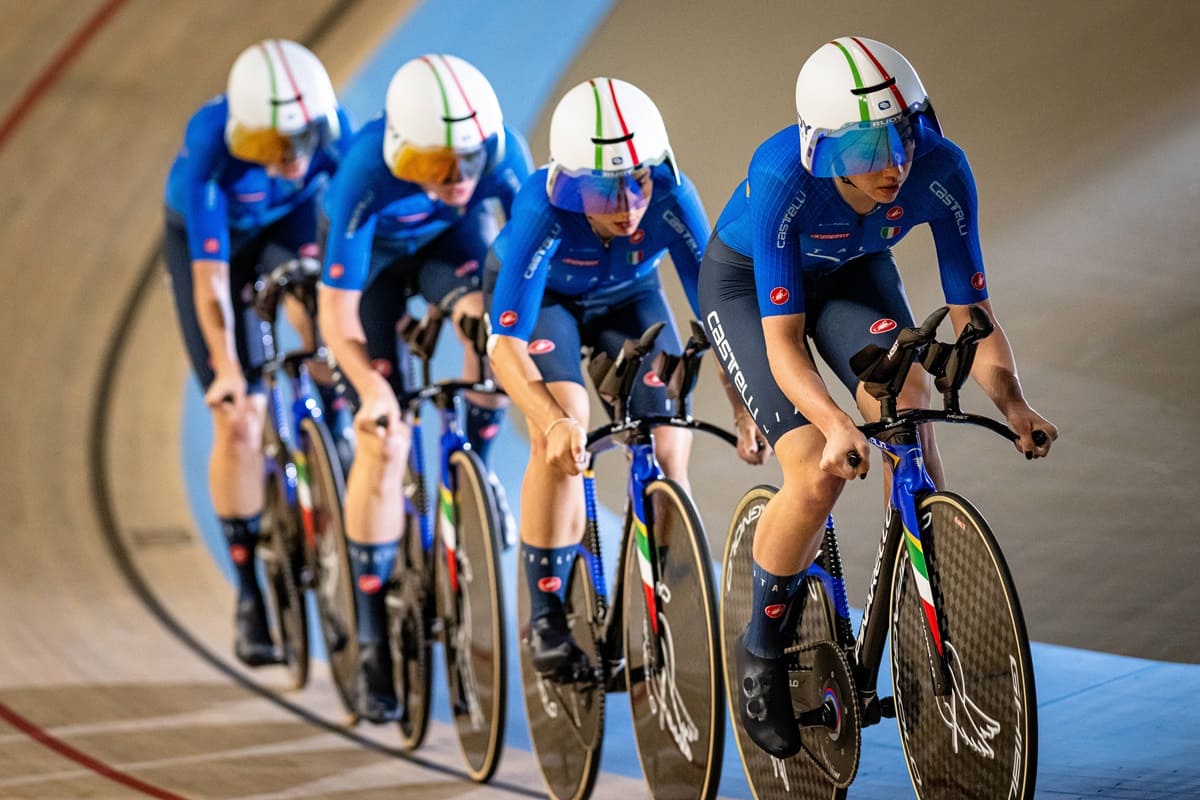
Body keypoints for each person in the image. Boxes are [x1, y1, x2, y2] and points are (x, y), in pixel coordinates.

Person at [698, 36, 1059, 758]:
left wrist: (1014, 404)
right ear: (821, 153)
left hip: (854, 272)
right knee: (815, 467)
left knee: (908, 395)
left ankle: (926, 589)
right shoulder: (781, 178)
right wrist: (831, 423)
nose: (891, 164)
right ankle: (760, 648)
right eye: (863, 153)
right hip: (751, 291)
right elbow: (783, 342)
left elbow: (974, 321)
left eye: (900, 138)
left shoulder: (942, 166)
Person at [487, 77, 751, 678]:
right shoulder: (540, 209)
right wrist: (549, 421)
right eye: (605, 190)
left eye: (638, 180)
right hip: (544, 304)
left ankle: (658, 583)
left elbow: (720, 310)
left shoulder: (672, 195)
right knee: (567, 428)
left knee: (667, 437)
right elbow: (504, 349)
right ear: (569, 184)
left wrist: (742, 408)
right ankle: (548, 609)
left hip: (629, 301)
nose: (629, 203)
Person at [317, 54, 532, 722]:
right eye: (438, 167)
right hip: (372, 279)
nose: (459, 179)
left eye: (470, 161)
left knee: (486, 323)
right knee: (384, 441)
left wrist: (503, 355)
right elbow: (338, 315)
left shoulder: (503, 153)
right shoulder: (361, 174)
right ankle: (373, 632)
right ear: (402, 152)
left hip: (450, 254)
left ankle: (475, 471)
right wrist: (369, 391)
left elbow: (525, 269)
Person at [163, 39, 349, 668]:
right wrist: (226, 373)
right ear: (246, 136)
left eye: (303, 140)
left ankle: (332, 420)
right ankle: (249, 594)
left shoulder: (335, 137)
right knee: (239, 419)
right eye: (273, 146)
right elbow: (212, 284)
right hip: (214, 245)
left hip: (287, 227)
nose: (293, 156)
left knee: (322, 317)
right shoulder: (211, 152)